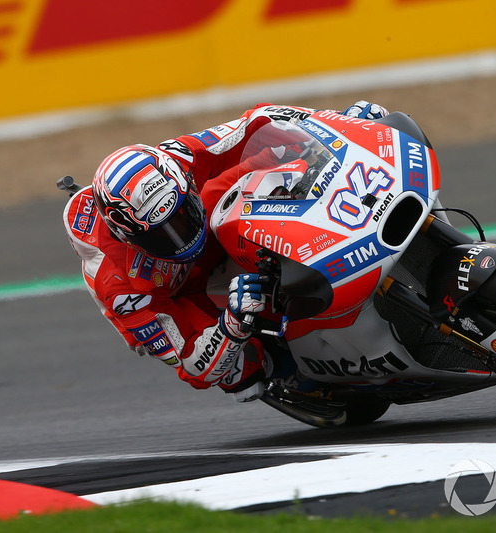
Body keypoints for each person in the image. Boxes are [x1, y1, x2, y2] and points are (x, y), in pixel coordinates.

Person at [62, 101, 389, 402]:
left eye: (180, 215)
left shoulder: (179, 156)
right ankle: (289, 376)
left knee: (278, 158)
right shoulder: (120, 286)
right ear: (128, 235)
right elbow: (192, 367)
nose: (180, 236)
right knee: (238, 373)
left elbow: (257, 122)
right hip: (173, 295)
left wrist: (341, 126)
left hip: (205, 211)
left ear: (180, 180)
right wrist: (232, 324)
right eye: (163, 234)